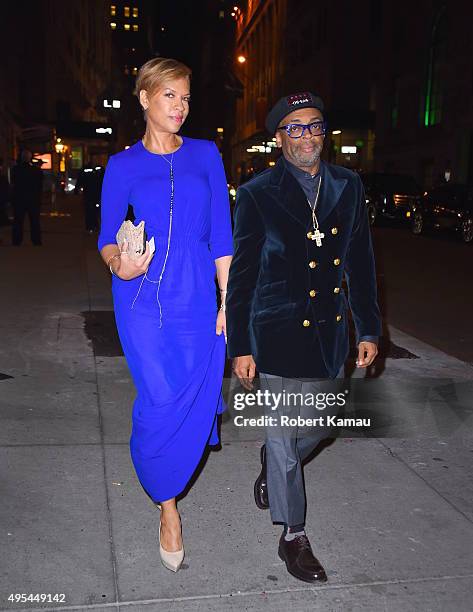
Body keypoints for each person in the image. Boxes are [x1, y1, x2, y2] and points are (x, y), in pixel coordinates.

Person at [226, 92, 381, 583]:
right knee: (286, 444)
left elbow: (360, 261)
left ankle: (274, 461)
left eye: (314, 125)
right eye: (294, 127)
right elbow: (243, 277)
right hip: (275, 332)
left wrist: (370, 325)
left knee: (326, 423)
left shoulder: (349, 185)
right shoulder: (256, 194)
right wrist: (241, 346)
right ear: (279, 138)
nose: (306, 136)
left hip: (330, 333)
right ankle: (293, 536)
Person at [98, 57, 233, 573]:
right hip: (140, 301)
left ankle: (167, 488)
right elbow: (106, 237)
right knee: (159, 399)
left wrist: (227, 299)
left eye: (185, 98)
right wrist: (121, 264)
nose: (179, 106)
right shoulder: (122, 166)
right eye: (169, 95)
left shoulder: (207, 155)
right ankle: (168, 507)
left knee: (193, 399)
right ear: (144, 98)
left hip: (196, 300)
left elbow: (221, 234)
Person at [11, 149, 43, 245]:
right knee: (34, 221)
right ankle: (36, 240)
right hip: (33, 199)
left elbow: (13, 183)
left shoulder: (16, 170)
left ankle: (17, 240)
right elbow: (39, 185)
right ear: (30, 159)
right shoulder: (36, 171)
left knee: (18, 221)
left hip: (19, 198)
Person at [75, 164, 104, 232]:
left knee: (91, 210)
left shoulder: (87, 170)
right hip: (95, 194)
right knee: (93, 210)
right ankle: (93, 226)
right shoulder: (99, 170)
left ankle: (92, 226)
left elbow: (80, 180)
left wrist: (77, 189)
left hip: (91, 194)